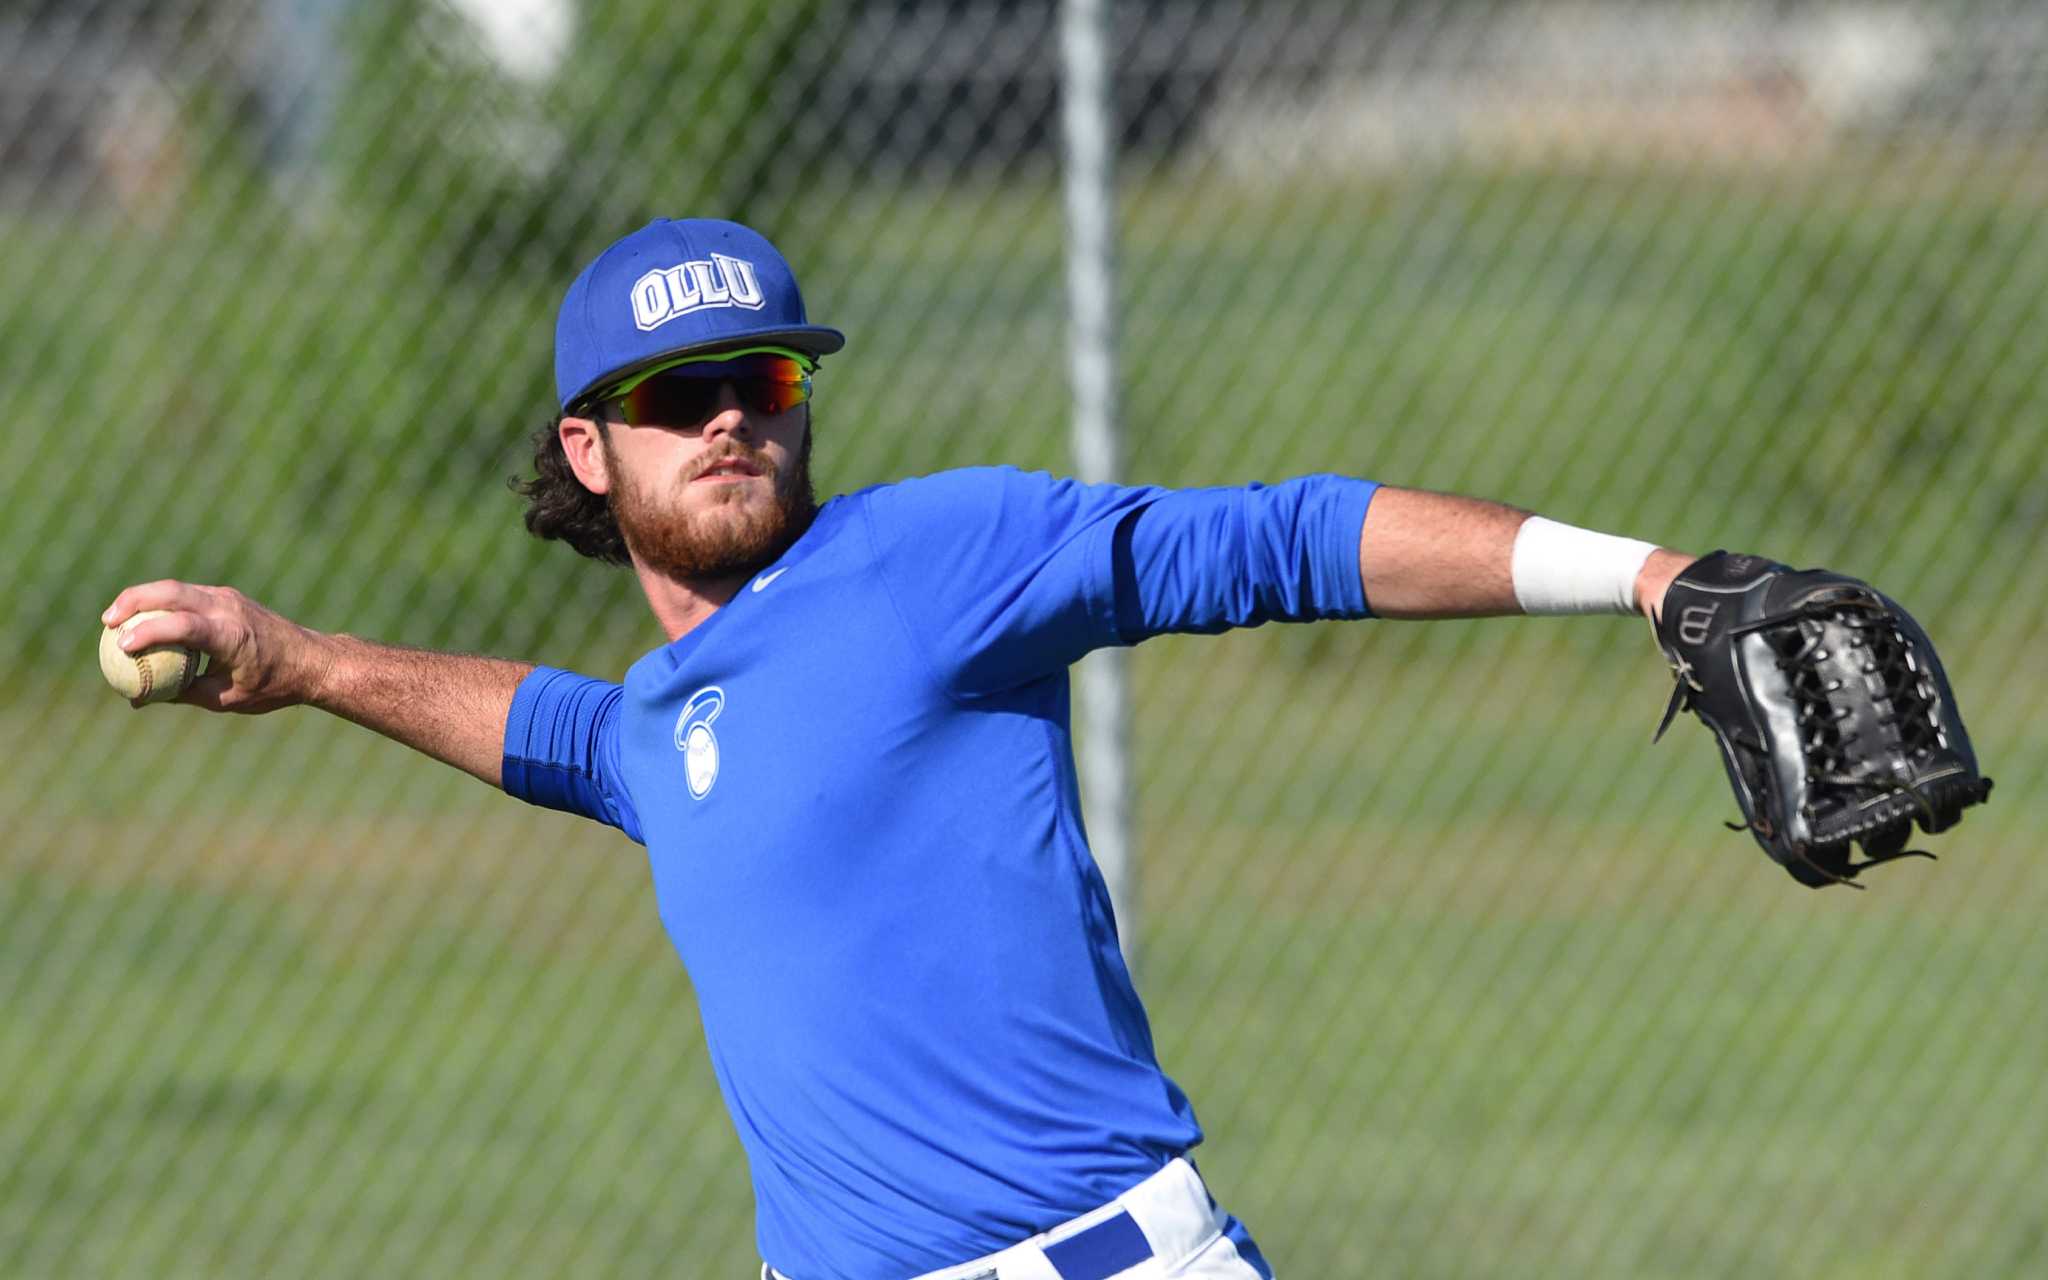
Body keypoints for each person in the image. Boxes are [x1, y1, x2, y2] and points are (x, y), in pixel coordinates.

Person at [103, 218, 1699, 1280]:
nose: (733, 415)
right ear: (589, 448)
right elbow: (561, 732)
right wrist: (300, 660)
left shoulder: (937, 556)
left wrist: (1639, 575)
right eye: (680, 392)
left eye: (764, 376)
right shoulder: (662, 724)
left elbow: (1274, 543)